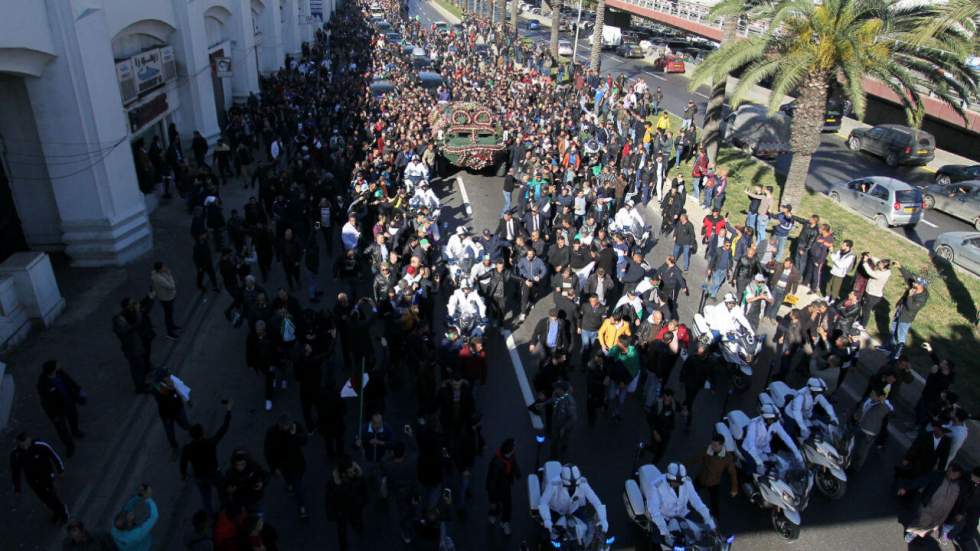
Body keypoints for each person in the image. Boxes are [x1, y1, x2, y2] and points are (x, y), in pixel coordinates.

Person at [644, 463, 716, 546]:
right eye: (674, 482)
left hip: (681, 515)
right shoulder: (656, 486)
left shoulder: (687, 482)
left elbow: (697, 502)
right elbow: (655, 511)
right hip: (663, 517)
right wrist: (665, 532)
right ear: (668, 478)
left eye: (680, 482)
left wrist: (710, 522)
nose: (677, 484)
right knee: (657, 542)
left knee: (698, 535)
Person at [180, 399, 232, 513]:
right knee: (222, 490)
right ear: (203, 433)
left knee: (205, 497)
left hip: (199, 476)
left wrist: (183, 474)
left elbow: (183, 462)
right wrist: (228, 410)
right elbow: (224, 428)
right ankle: (225, 507)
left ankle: (210, 514)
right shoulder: (210, 443)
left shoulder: (187, 449)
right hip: (214, 473)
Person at [538, 464, 609, 546]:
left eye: (575, 486)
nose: (572, 488)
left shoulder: (583, 483)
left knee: (587, 529)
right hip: (555, 511)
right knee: (551, 536)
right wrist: (547, 519)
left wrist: (603, 519)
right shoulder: (553, 484)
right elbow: (543, 502)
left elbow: (596, 502)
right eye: (569, 486)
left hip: (574, 510)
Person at [898, 463, 964, 544]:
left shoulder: (958, 484)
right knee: (922, 522)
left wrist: (960, 512)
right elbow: (920, 481)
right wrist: (906, 487)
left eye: (957, 476)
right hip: (929, 506)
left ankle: (920, 533)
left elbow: (961, 499)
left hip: (943, 512)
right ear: (949, 469)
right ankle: (912, 533)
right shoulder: (937, 476)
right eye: (953, 473)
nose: (954, 476)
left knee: (933, 525)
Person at [10, 432, 68, 523]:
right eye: (22, 445)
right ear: (18, 444)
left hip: (47, 476)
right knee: (44, 499)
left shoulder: (40, 446)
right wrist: (17, 488)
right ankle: (56, 512)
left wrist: (60, 470)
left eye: (26, 444)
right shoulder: (15, 454)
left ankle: (63, 513)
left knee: (52, 496)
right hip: (33, 481)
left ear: (29, 439)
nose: (25, 447)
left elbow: (53, 455)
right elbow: (15, 472)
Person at [37, 359, 85, 458]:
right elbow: (45, 403)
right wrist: (53, 416)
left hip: (69, 402)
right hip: (57, 410)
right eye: (57, 365)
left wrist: (78, 389)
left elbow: (70, 381)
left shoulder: (60, 373)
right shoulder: (43, 385)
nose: (60, 365)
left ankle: (75, 431)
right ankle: (70, 446)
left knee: (74, 417)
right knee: (62, 430)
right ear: (52, 370)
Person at [264, 415, 309, 519]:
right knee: (292, 481)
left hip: (296, 463)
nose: (286, 428)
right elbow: (268, 452)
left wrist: (294, 435)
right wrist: (274, 468)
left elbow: (305, 440)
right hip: (283, 464)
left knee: (297, 484)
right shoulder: (272, 433)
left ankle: (297, 498)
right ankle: (299, 502)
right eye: (284, 426)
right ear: (279, 425)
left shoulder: (295, 427)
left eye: (288, 426)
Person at [742, 404, 803, 474]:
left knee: (783, 465)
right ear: (767, 418)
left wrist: (797, 454)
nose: (775, 421)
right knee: (754, 471)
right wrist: (759, 462)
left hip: (763, 450)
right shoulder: (754, 424)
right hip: (749, 451)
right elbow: (751, 445)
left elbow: (786, 437)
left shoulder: (774, 423)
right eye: (773, 419)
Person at [688, 434, 738, 516]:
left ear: (721, 445)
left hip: (714, 482)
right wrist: (681, 465)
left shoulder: (727, 457)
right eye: (712, 444)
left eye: (715, 445)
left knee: (714, 501)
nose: (712, 447)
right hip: (701, 478)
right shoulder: (707, 449)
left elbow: (732, 473)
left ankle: (715, 519)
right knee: (691, 493)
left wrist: (734, 488)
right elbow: (695, 458)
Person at [325, 455, 368, 551]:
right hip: (342, 512)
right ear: (344, 474)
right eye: (351, 470)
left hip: (355, 507)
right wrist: (331, 515)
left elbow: (364, 490)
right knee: (342, 532)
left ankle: (359, 527)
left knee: (356, 521)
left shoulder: (357, 477)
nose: (354, 471)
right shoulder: (333, 484)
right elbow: (329, 500)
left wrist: (364, 501)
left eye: (353, 468)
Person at [850, 387, 893, 471]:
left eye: (873, 394)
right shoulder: (868, 400)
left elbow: (890, 410)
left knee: (861, 452)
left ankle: (855, 468)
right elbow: (861, 409)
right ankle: (849, 462)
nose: (871, 394)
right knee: (853, 446)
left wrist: (883, 402)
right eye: (871, 393)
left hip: (869, 433)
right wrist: (856, 416)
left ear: (878, 397)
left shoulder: (882, 407)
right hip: (860, 426)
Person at [486, 437, 520, 536]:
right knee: (495, 504)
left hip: (506, 486)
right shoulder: (496, 463)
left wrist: (517, 473)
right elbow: (491, 481)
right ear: (509, 450)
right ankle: (493, 514)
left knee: (507, 506)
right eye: (514, 446)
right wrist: (491, 496)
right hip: (497, 489)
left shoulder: (511, 456)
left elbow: (514, 464)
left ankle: (505, 522)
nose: (515, 448)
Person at [111, 485, 158, 551]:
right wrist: (148, 499)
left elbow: (127, 508)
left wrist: (139, 496)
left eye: (127, 513)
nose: (130, 512)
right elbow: (154, 517)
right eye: (130, 515)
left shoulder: (115, 528)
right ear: (129, 524)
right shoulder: (136, 534)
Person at [150, 261, 180, 338]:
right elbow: (171, 286)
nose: (165, 267)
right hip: (166, 299)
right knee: (168, 316)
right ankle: (170, 333)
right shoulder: (159, 279)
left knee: (169, 314)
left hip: (167, 297)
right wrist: (169, 275)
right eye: (163, 267)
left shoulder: (159, 273)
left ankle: (172, 326)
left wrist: (166, 273)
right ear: (159, 269)